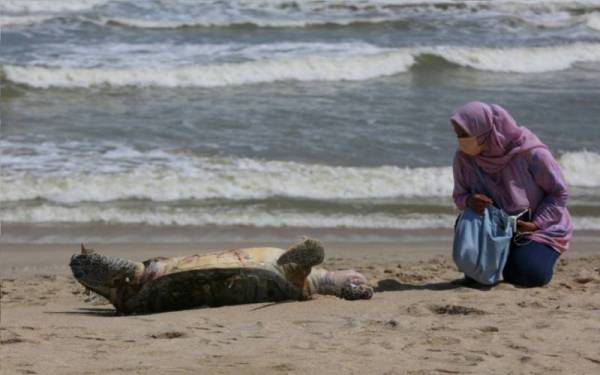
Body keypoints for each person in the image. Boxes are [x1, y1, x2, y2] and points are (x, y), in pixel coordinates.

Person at [450, 101, 573, 287]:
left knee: (528, 274)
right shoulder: (464, 158)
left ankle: (524, 258)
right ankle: (500, 260)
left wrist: (536, 223)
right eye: (457, 134)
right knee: (465, 225)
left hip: (536, 227)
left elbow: (558, 193)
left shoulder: (531, 153)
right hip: (495, 228)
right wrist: (470, 200)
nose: (460, 139)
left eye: (464, 134)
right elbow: (460, 196)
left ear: (485, 130)